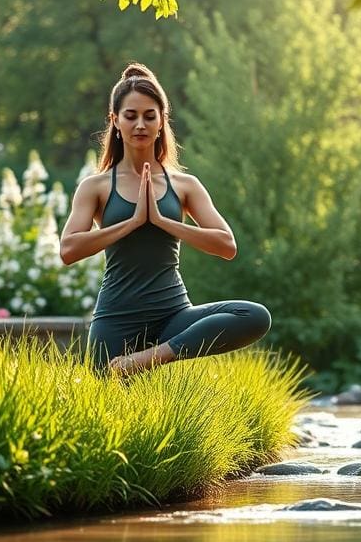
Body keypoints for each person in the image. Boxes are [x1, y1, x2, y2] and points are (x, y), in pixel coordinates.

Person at [59, 63, 271, 376]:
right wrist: (130, 224)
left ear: (162, 121)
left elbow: (227, 245)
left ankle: (153, 357)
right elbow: (68, 250)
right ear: (115, 121)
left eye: (150, 115)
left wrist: (163, 221)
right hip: (116, 318)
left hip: (173, 317)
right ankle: (141, 360)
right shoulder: (97, 186)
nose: (140, 124)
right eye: (130, 116)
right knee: (111, 411)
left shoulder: (185, 185)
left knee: (255, 316)